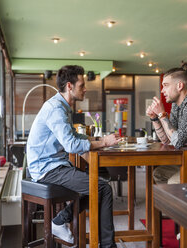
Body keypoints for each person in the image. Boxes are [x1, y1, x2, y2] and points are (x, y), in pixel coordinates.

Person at [26, 65, 120, 248]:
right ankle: (60, 222)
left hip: (53, 164)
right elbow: (71, 145)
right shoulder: (56, 109)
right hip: (46, 168)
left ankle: (63, 222)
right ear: (70, 86)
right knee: (103, 188)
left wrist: (97, 139)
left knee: (99, 188)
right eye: (82, 85)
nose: (85, 89)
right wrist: (105, 143)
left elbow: (73, 137)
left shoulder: (61, 105)